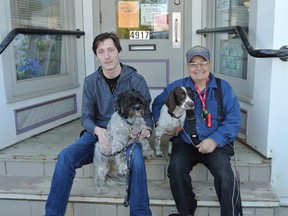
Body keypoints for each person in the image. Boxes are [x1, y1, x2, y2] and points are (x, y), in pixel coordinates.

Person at [45, 32, 153, 216]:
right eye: (101, 51)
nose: (107, 56)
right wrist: (97, 130)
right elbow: (86, 117)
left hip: (128, 135)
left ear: (119, 51)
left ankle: (141, 213)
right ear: (96, 55)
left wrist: (146, 130)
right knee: (65, 157)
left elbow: (148, 114)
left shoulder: (136, 80)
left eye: (111, 50)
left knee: (135, 158)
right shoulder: (90, 82)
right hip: (99, 134)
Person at [152, 45, 242, 216]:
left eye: (203, 62)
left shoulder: (224, 88)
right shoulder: (178, 86)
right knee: (176, 168)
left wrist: (215, 140)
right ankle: (186, 212)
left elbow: (234, 119)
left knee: (225, 174)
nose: (198, 68)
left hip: (216, 143)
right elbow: (157, 104)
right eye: (193, 64)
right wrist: (161, 122)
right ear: (187, 67)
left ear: (210, 64)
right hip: (186, 141)